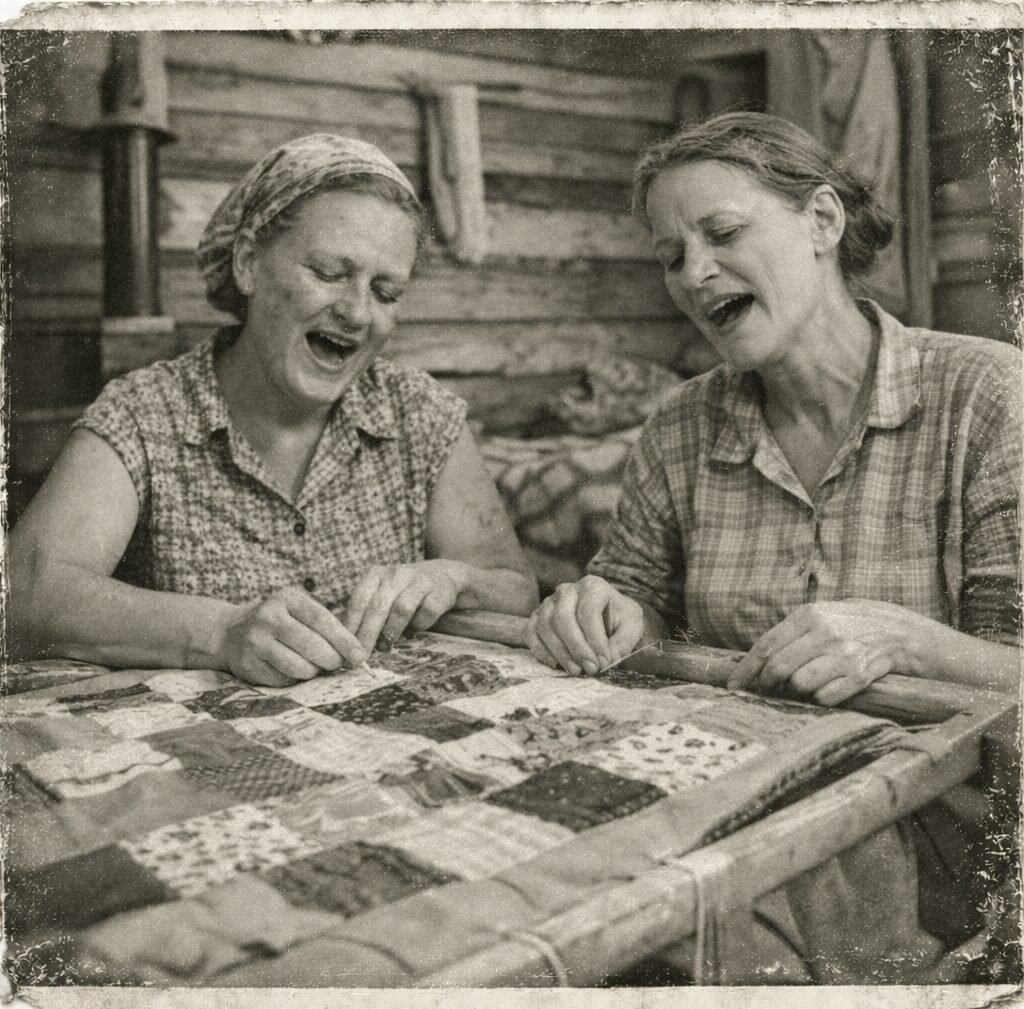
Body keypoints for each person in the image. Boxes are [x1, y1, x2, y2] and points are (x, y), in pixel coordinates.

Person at [526, 112, 1021, 704]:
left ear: (823, 220)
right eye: (671, 256)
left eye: (724, 233)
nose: (695, 272)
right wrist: (606, 615)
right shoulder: (681, 424)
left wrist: (906, 643)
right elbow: (645, 607)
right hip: (732, 755)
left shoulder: (987, 394)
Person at [9, 134, 537, 686]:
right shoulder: (146, 414)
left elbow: (516, 589)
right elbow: (25, 593)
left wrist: (455, 578)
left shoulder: (419, 415)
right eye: (330, 273)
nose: (358, 313)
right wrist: (222, 631)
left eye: (385, 292)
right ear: (248, 264)